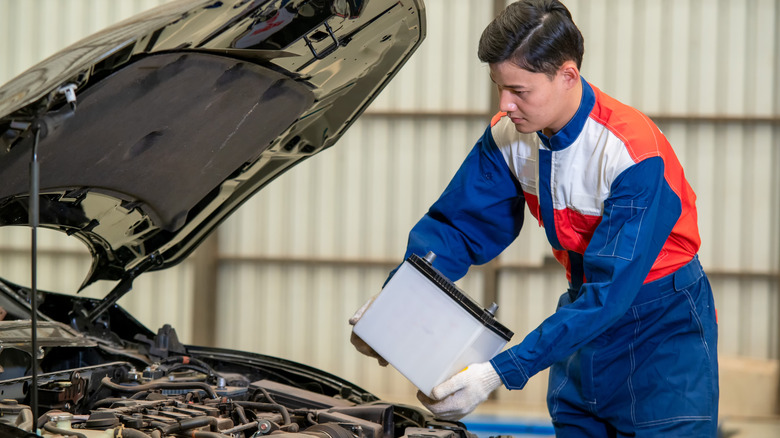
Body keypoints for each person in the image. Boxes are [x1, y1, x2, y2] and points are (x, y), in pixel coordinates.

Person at [349, 0, 719, 436]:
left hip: (661, 331)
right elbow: (456, 229)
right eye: (499, 87)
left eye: (520, 91)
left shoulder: (632, 156)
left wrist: (496, 373)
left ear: (567, 75)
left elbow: (611, 293)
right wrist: (396, 302)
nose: (505, 105)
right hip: (584, 319)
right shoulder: (510, 137)